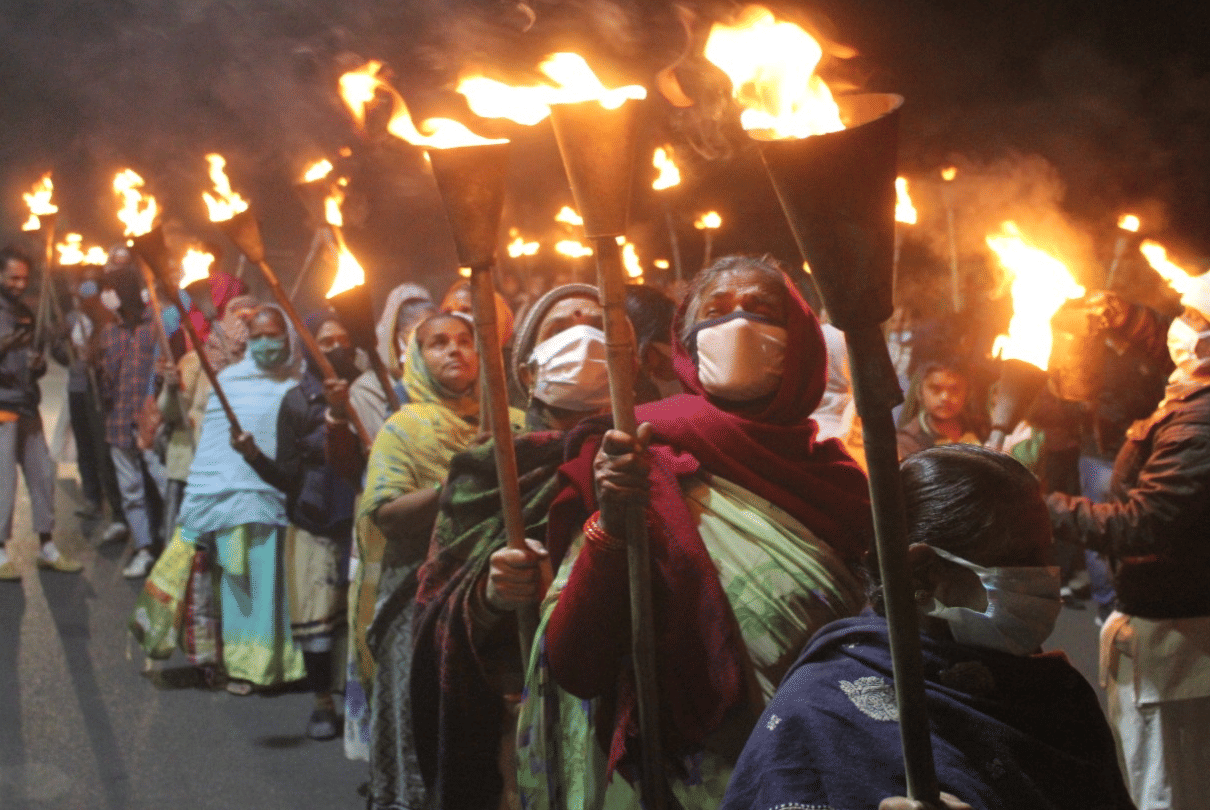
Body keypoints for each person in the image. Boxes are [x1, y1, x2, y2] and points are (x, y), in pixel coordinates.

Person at [720, 445, 1135, 810]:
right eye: (1022, 559)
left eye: (1047, 556)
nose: (1046, 578)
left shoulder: (1055, 693)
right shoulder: (820, 715)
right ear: (923, 573)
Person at [409, 283, 613, 810]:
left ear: (629, 362)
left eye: (598, 325)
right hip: (522, 704)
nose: (583, 338)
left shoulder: (663, 455)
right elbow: (435, 607)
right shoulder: (490, 472)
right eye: (561, 328)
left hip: (626, 706)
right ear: (526, 371)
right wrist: (489, 596)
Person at [1048, 279, 1210, 810]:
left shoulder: (1201, 422)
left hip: (1176, 638)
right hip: (1176, 622)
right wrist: (1126, 317)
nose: (1182, 327)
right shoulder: (1196, 387)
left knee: (1165, 786)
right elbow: (1167, 341)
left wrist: (1042, 506)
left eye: (1196, 319)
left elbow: (1144, 525)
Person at [352, 310, 521, 810]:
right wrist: (458, 482)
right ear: (417, 357)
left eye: (466, 340)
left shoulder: (514, 423)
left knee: (499, 729)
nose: (454, 350)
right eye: (438, 343)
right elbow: (387, 514)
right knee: (427, 717)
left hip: (504, 598)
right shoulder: (403, 429)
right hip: (422, 600)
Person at [229, 309, 358, 737]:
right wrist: (253, 456)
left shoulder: (370, 393)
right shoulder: (298, 402)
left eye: (343, 341)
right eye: (326, 342)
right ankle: (323, 702)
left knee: (359, 617)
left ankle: (359, 700)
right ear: (308, 347)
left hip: (362, 520)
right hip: (314, 521)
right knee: (317, 619)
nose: (335, 350)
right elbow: (288, 475)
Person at [169, 305, 306, 694]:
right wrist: (199, 501)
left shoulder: (300, 385)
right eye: (257, 337)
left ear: (289, 337)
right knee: (237, 583)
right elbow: (211, 445)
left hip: (279, 500)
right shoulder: (228, 381)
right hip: (230, 499)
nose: (265, 344)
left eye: (273, 335)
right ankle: (243, 665)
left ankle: (278, 665)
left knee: (274, 587)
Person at [0, 246, 80, 579]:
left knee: (43, 474)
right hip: (3, 410)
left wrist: (37, 363)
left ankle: (47, 546)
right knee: (3, 481)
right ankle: (0, 552)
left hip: (27, 404)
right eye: (12, 278)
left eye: (23, 278)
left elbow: (38, 362)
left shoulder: (25, 313)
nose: (19, 284)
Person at [95, 250, 162, 578]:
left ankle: (175, 546)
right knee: (131, 491)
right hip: (120, 423)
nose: (106, 296)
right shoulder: (109, 331)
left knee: (163, 486)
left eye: (111, 289)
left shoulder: (156, 326)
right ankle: (144, 548)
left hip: (151, 425)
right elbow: (106, 381)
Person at [897, 360, 985, 460]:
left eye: (954, 389)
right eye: (936, 389)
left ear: (967, 394)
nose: (945, 397)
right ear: (920, 392)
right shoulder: (907, 441)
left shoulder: (980, 428)